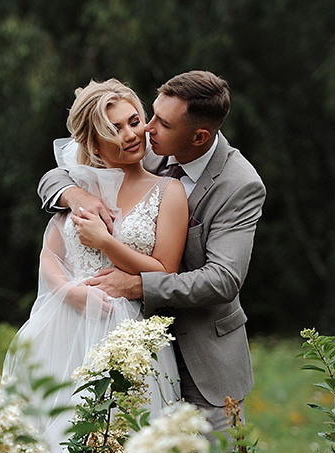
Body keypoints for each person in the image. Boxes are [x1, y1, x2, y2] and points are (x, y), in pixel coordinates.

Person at [38, 70, 266, 433]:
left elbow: (223, 280)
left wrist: (136, 286)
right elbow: (59, 172)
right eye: (152, 114)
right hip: (110, 341)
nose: (145, 128)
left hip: (201, 354)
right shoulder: (145, 149)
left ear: (199, 136)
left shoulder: (239, 185)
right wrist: (76, 195)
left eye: (160, 122)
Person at [4, 78, 189, 453]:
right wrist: (68, 291)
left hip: (124, 330)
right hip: (63, 326)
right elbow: (49, 256)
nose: (130, 135)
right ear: (92, 143)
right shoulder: (78, 188)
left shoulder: (168, 192)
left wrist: (105, 242)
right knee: (55, 437)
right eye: (114, 129)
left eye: (134, 121)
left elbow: (163, 269)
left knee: (125, 439)